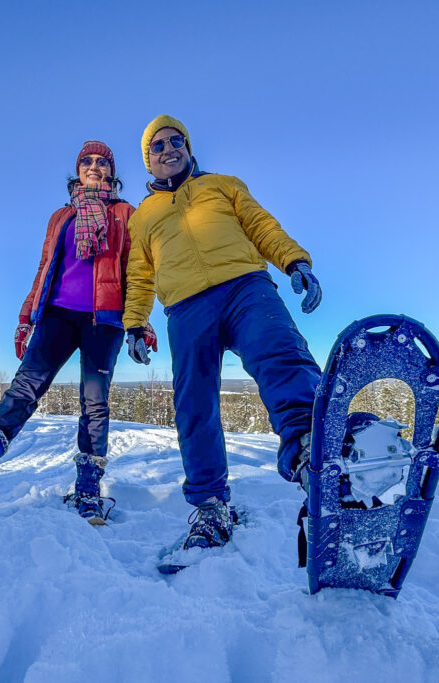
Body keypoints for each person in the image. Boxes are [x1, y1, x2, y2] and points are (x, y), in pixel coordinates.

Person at [0, 141, 157, 523]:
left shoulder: (125, 213)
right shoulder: (60, 217)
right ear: (77, 169)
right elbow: (45, 268)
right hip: (56, 315)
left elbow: (140, 267)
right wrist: (26, 316)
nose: (94, 166)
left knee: (94, 402)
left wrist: (140, 323)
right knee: (23, 389)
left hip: (105, 318)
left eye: (101, 162)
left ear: (111, 171)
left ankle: (89, 491)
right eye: (86, 161)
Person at [123, 115, 323, 548]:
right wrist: (135, 323)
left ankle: (315, 452)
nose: (168, 149)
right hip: (186, 308)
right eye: (157, 146)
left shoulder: (224, 184)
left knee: (279, 352)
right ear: (148, 161)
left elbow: (260, 225)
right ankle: (211, 504)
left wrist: (294, 261)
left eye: (176, 140)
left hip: (244, 287)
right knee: (193, 402)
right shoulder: (142, 218)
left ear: (189, 146)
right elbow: (139, 275)